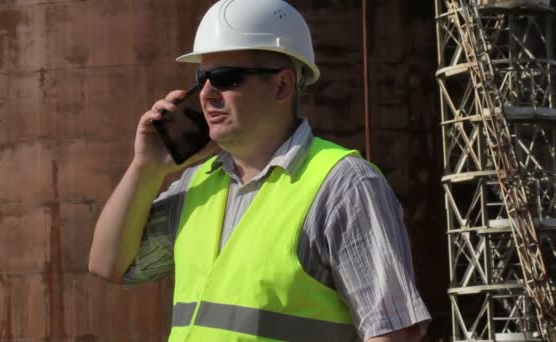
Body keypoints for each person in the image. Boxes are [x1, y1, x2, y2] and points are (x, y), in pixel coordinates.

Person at [88, 0, 431, 341]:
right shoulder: (200, 182)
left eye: (225, 77)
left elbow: (394, 332)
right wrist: (146, 169)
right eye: (202, 77)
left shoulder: (344, 185)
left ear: (283, 86)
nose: (207, 94)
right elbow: (108, 264)